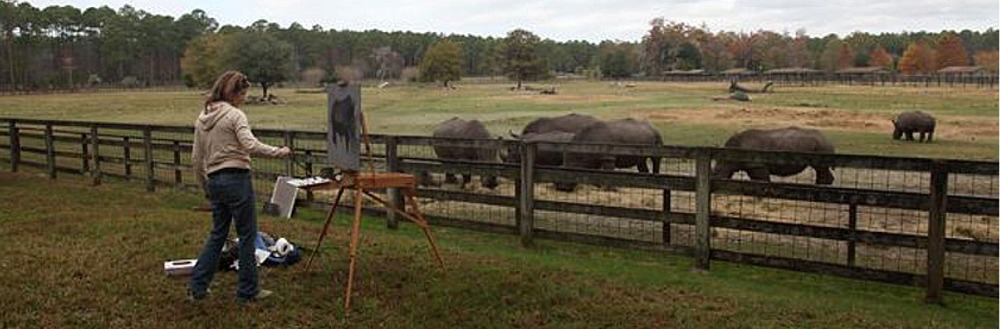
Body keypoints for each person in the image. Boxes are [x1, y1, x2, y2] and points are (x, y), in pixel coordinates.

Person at [188, 71, 291, 303]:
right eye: (243, 94)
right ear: (233, 93)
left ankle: (197, 287)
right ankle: (248, 291)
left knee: (217, 234)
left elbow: (196, 159)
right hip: (237, 179)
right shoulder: (235, 115)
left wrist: (206, 186)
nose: (244, 98)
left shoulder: (203, 117)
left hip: (215, 181)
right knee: (247, 236)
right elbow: (249, 144)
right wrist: (280, 152)